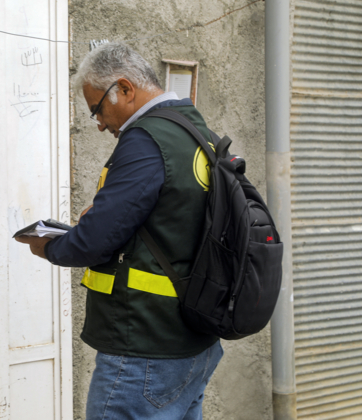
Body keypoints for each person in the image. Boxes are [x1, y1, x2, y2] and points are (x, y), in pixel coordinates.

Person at [17, 43, 223, 420]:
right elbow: (173, 219)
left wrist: (48, 248)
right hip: (194, 342)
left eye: (98, 109)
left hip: (144, 346)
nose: (98, 123)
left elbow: (96, 242)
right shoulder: (196, 130)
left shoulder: (146, 140)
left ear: (125, 90)